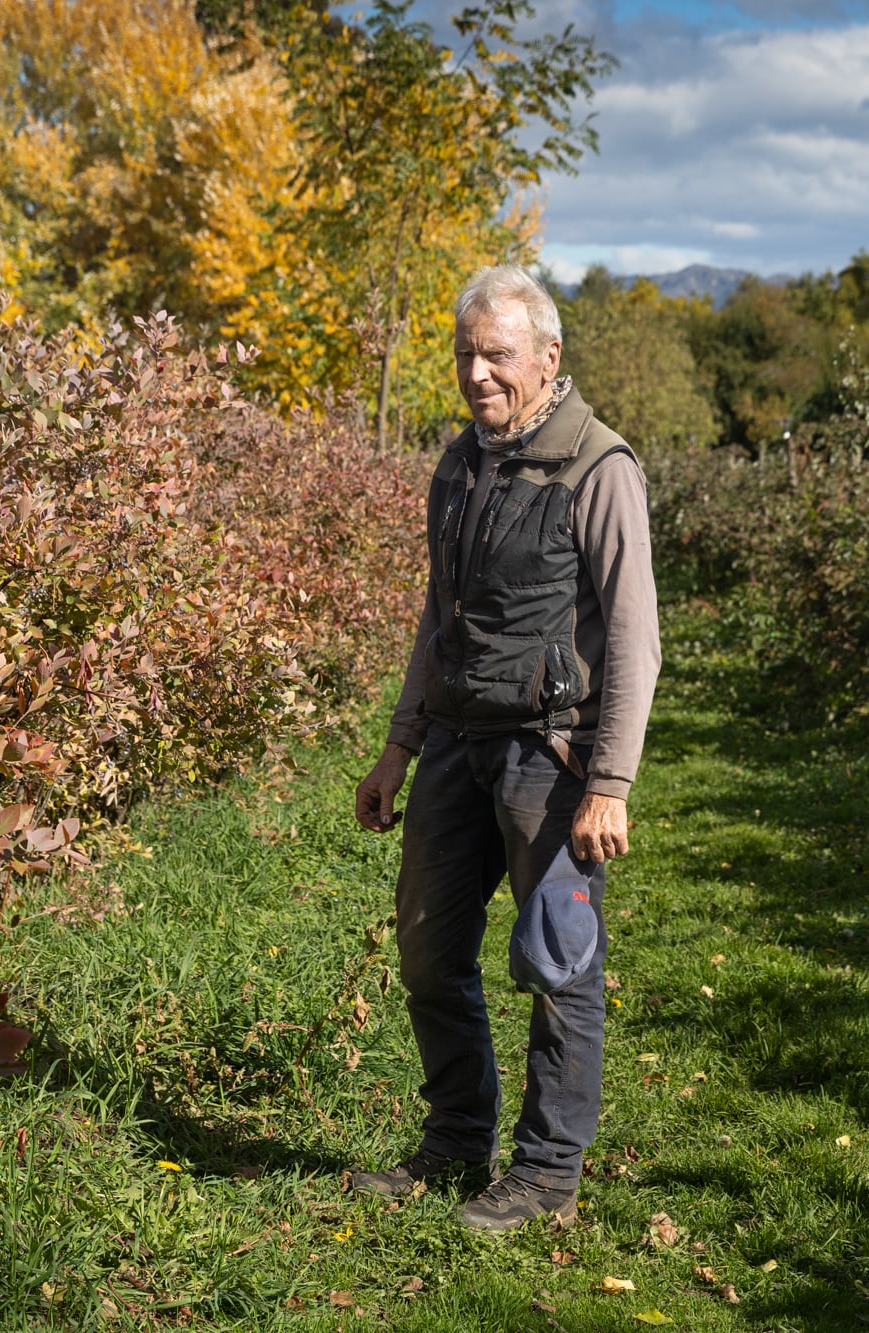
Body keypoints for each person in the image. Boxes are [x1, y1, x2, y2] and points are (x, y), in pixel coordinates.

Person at [348, 264, 660, 1231]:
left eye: (498, 354)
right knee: (430, 951)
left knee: (558, 964)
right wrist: (398, 746)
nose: (478, 373)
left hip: (552, 758)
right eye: (465, 355)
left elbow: (638, 639)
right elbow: (438, 621)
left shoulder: (599, 468)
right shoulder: (458, 464)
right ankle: (455, 1139)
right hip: (453, 745)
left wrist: (608, 782)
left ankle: (545, 1175)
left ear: (548, 358)